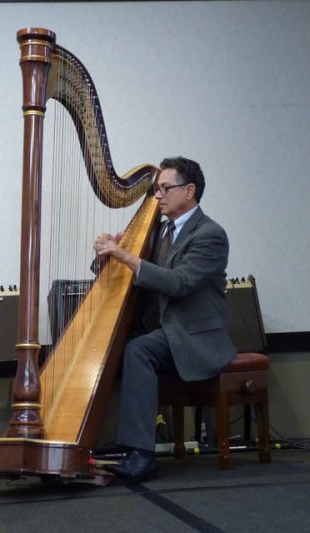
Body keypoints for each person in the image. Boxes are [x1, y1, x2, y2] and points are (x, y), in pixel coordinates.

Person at [94, 156, 236, 481]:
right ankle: (91, 445)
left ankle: (142, 455)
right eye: (156, 190)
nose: (157, 196)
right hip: (161, 332)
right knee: (109, 348)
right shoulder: (155, 230)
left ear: (189, 190)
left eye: (164, 188)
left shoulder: (210, 235)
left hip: (193, 337)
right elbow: (127, 274)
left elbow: (179, 283)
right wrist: (107, 253)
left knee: (138, 350)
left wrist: (126, 256)